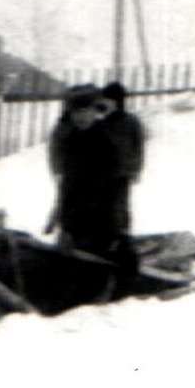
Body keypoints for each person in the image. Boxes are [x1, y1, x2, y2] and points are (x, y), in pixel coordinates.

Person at [48, 84, 124, 262]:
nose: (81, 117)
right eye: (76, 113)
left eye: (85, 112)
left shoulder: (106, 142)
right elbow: (67, 187)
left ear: (94, 112)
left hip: (101, 219)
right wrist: (64, 227)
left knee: (98, 263)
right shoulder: (70, 141)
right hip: (75, 220)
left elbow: (115, 189)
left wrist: (115, 231)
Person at [98, 81, 146, 278]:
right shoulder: (104, 122)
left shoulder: (131, 122)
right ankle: (108, 241)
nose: (106, 104)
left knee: (121, 208)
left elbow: (138, 147)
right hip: (106, 174)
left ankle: (122, 241)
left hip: (123, 173)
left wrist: (135, 169)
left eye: (109, 100)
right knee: (106, 208)